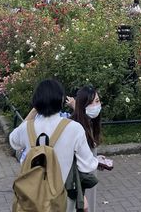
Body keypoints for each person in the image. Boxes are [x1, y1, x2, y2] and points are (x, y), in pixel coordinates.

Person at [9, 79, 99, 212]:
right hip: (62, 198)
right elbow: (87, 166)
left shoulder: (26, 128)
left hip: (31, 197)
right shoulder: (74, 128)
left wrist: (33, 112)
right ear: (61, 99)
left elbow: (13, 141)